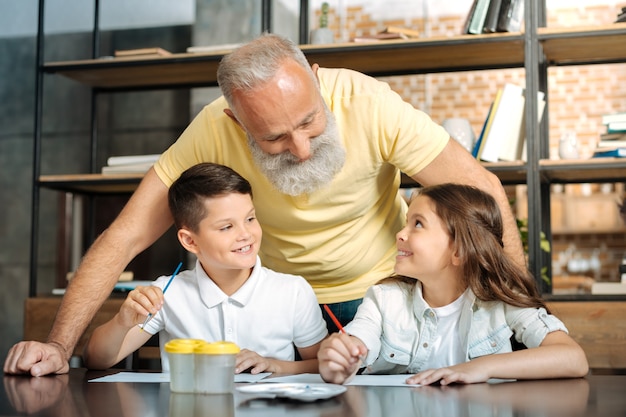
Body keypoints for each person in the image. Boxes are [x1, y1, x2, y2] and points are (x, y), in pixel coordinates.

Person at [4, 33, 524, 376]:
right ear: (235, 121)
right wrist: (56, 345)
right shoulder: (210, 128)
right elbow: (125, 236)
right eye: (273, 138)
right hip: (278, 307)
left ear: (316, 81)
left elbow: (485, 193)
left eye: (308, 122)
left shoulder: (371, 105)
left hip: (380, 300)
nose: (299, 149)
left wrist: (520, 321)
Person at [318, 183, 589, 385]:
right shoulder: (383, 298)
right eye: (406, 223)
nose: (401, 234)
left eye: (418, 224)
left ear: (459, 250)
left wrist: (480, 367)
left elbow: (573, 358)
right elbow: (357, 345)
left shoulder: (501, 303)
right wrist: (339, 362)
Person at [82, 163, 327, 374]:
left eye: (250, 219)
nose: (246, 234)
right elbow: (96, 360)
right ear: (190, 241)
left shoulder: (292, 291)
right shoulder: (167, 293)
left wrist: (275, 366)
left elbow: (323, 365)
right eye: (226, 227)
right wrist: (122, 323)